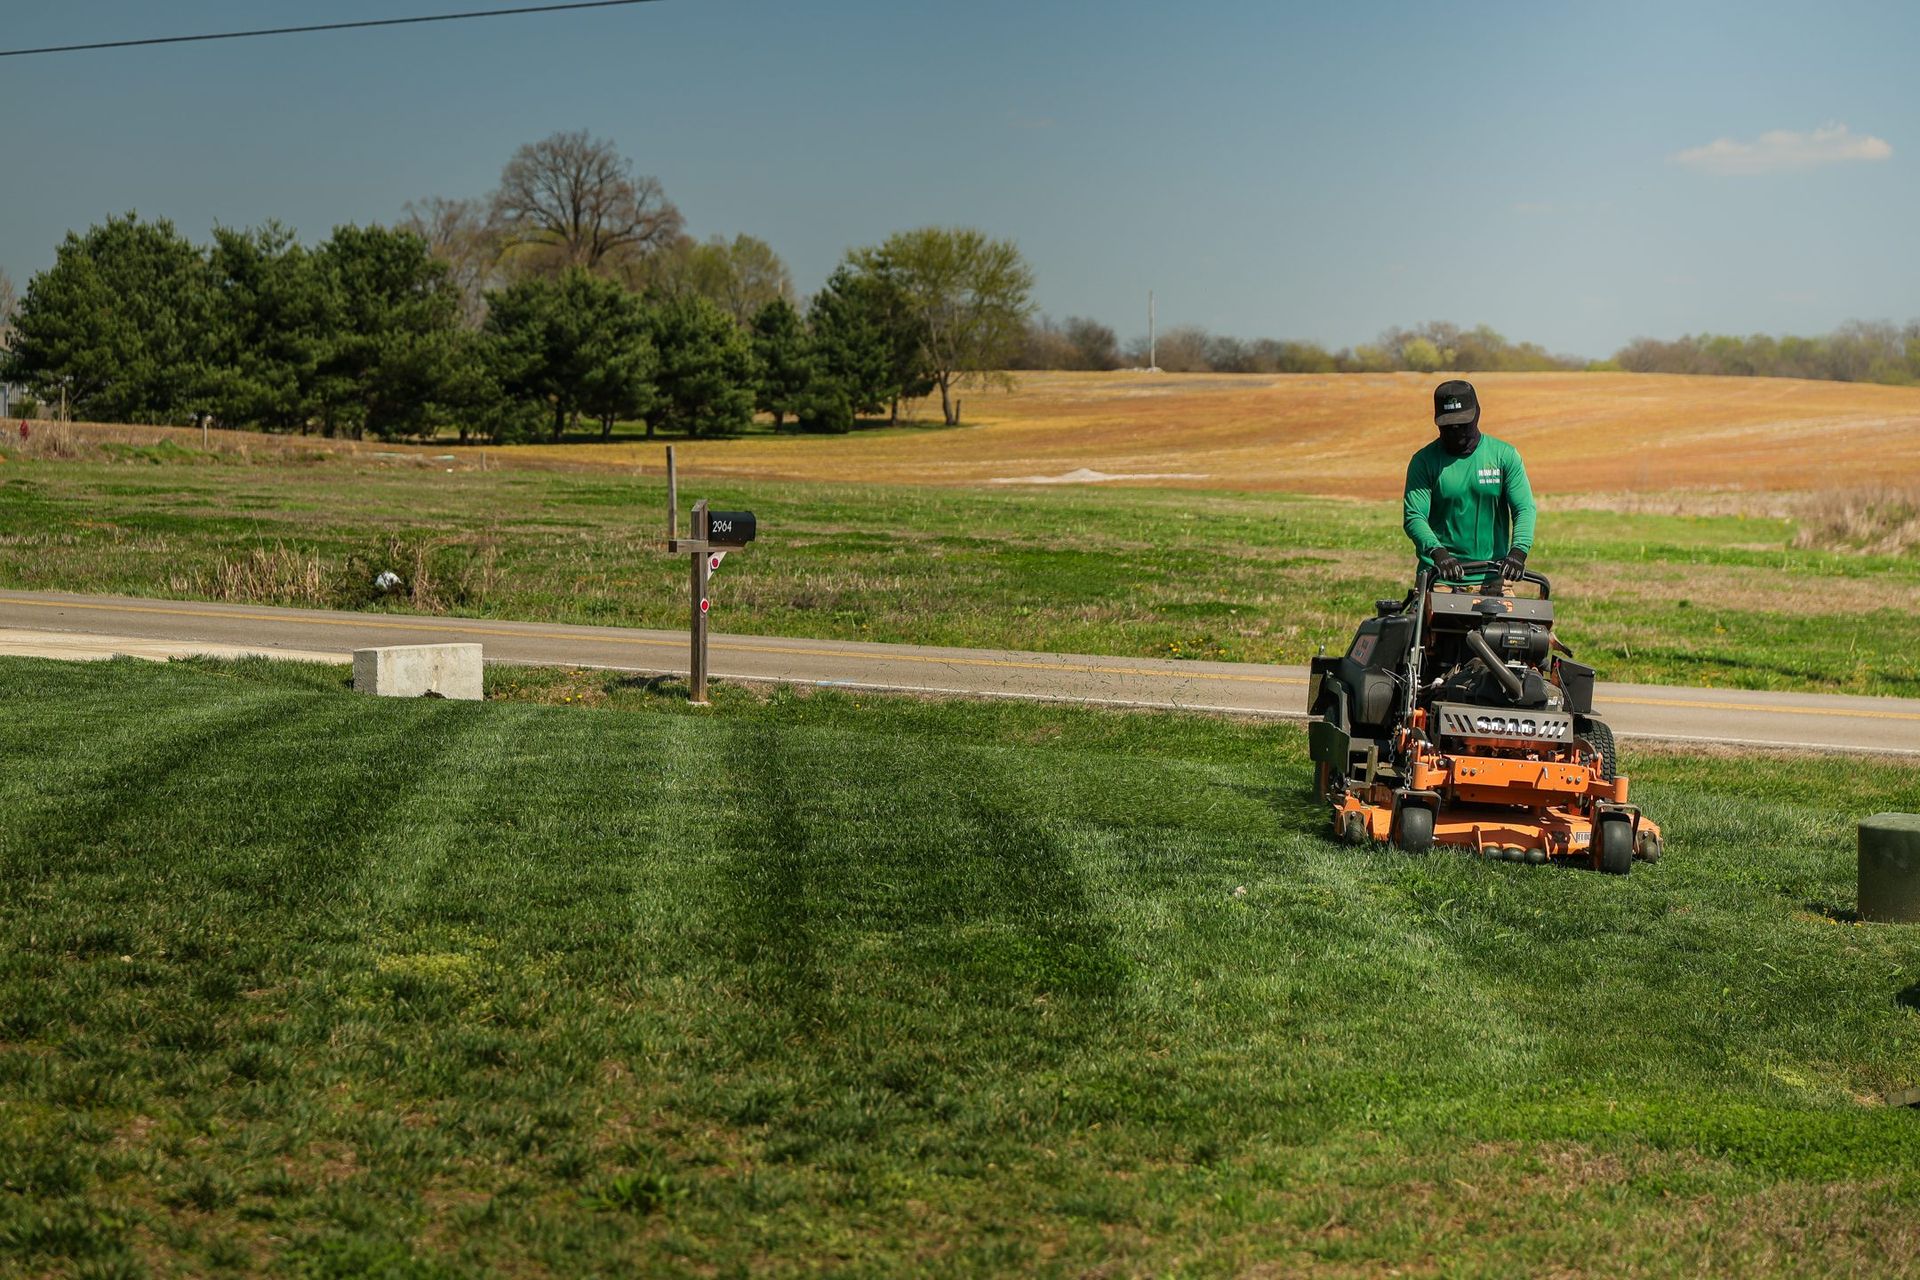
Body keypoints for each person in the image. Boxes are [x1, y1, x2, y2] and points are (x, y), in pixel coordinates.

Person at [1403, 379, 1536, 587]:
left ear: (1478, 413)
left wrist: (1519, 551)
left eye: (1463, 424)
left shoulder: (1504, 455)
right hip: (1440, 577)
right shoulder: (1424, 461)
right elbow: (1415, 516)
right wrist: (1437, 552)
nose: (1457, 433)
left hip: (1492, 576)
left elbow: (1524, 508)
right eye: (1449, 427)